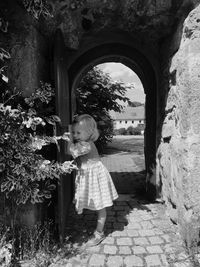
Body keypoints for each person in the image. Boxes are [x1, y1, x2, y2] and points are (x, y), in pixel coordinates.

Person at [67, 114, 118, 246]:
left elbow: (69, 151)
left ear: (89, 132)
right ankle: (79, 225)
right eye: (74, 132)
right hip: (87, 176)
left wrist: (67, 135)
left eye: (78, 132)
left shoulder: (86, 145)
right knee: (86, 200)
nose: (75, 135)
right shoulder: (82, 143)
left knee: (100, 205)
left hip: (95, 177)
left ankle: (99, 233)